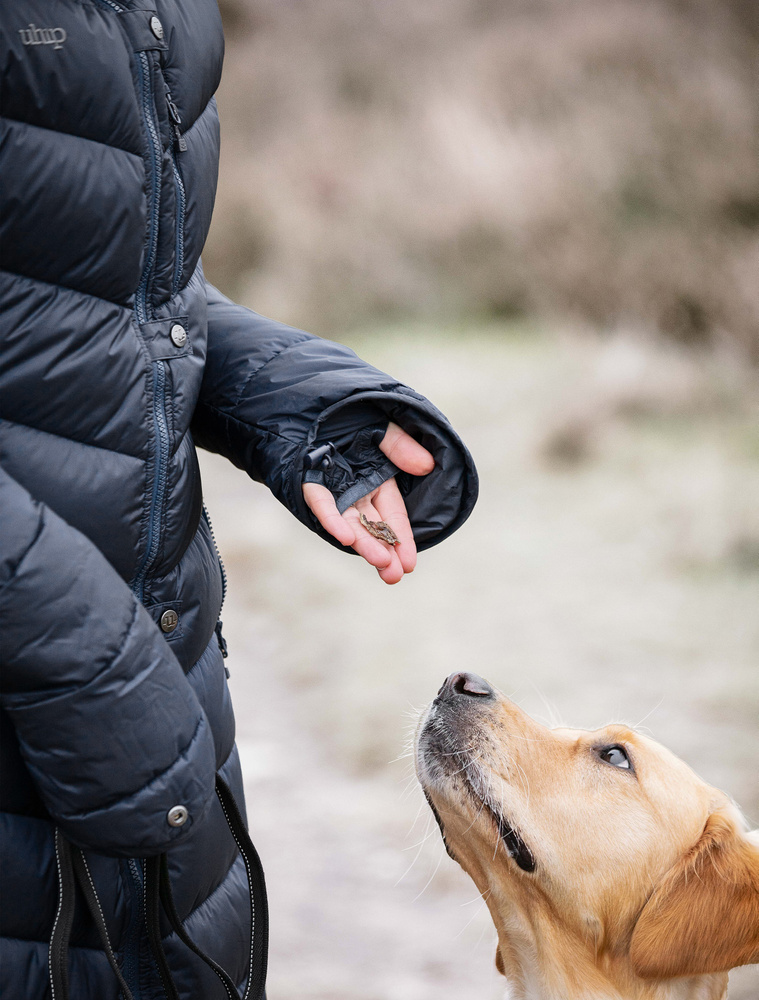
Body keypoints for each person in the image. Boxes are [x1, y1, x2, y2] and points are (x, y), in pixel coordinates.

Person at [0, 2, 477, 997]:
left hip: (160, 689)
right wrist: (86, 661)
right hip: (68, 699)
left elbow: (93, 291)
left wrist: (293, 408)